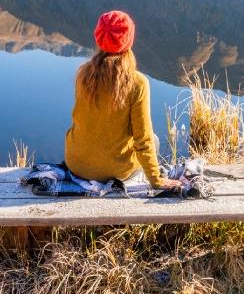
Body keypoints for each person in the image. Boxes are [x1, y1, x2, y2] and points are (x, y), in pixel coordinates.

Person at [65, 11, 182, 190]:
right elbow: (143, 139)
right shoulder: (137, 83)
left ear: (98, 37)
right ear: (128, 40)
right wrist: (156, 180)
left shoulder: (83, 74)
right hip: (117, 170)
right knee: (155, 140)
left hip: (76, 165)